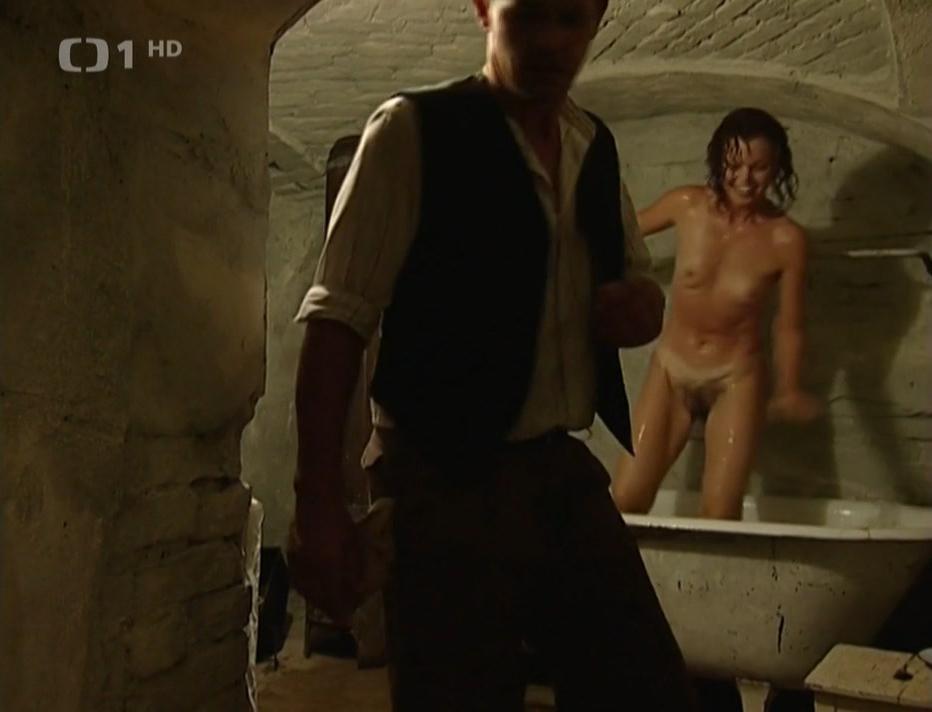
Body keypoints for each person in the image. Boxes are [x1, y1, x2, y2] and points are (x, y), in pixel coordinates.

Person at [287, 0, 698, 709]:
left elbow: (638, 285)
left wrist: (638, 308)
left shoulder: (592, 146)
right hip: (441, 480)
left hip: (558, 468)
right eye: (527, 14)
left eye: (569, 18)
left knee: (647, 689)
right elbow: (336, 322)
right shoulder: (412, 131)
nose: (550, 39)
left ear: (597, 18)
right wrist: (317, 504)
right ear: (484, 9)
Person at [611, 107, 821, 521]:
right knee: (626, 500)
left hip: (734, 377)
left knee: (720, 513)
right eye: (734, 166)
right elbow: (619, 235)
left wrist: (788, 388)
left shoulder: (786, 240)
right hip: (672, 368)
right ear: (718, 162)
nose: (745, 179)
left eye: (759, 168)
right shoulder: (687, 205)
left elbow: (789, 325)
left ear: (777, 168)